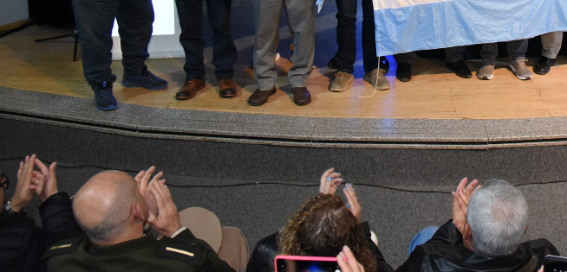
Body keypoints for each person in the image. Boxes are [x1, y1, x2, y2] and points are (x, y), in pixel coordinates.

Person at [43, 169, 234, 271]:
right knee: (233, 240)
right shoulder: (184, 263)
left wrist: (139, 221)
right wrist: (177, 232)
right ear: (137, 210)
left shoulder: (57, 260)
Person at [396, 178, 557, 272]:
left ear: (468, 233)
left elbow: (432, 251)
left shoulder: (427, 259)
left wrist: (454, 226)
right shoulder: (544, 255)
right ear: (524, 230)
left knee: (428, 233)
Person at [247, 168, 390, 272]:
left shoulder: (265, 252)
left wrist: (319, 213)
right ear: (351, 245)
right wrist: (360, 231)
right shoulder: (375, 269)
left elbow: (279, 240)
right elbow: (382, 267)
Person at [1, 155, 79, 272]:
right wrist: (52, 199)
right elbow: (69, 251)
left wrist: (13, 207)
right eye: (1, 184)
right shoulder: (21, 240)